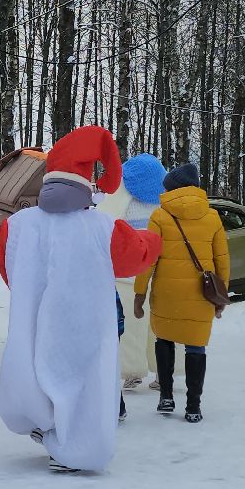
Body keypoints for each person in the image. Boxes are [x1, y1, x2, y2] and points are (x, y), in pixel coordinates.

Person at [0, 126, 162, 473]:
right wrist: (154, 238)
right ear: (86, 184)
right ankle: (77, 449)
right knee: (82, 385)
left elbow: (7, 266)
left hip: (37, 320)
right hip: (84, 324)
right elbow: (136, 256)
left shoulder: (19, 224)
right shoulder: (103, 227)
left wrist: (31, 293)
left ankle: (41, 423)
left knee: (36, 372)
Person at [134, 162, 229, 424]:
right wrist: (221, 298)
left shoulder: (160, 216)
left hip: (167, 293)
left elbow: (149, 259)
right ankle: (193, 406)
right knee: (196, 347)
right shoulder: (212, 217)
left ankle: (166, 396)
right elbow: (222, 261)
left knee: (164, 340)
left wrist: (139, 294)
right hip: (201, 294)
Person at [99, 153, 165, 389]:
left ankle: (131, 371)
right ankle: (163, 371)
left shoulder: (119, 196)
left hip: (128, 271)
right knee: (159, 324)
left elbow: (106, 227)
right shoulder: (164, 198)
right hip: (159, 269)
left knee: (131, 325)